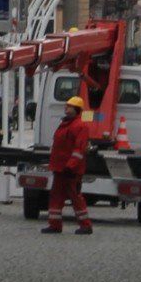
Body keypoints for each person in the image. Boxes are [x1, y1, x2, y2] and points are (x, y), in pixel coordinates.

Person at [44, 94, 94, 235]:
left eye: (69, 106)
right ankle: (54, 225)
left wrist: (70, 166)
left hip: (71, 170)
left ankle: (86, 225)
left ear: (77, 109)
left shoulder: (80, 126)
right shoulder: (66, 123)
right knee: (56, 197)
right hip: (60, 168)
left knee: (75, 197)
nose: (66, 108)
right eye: (66, 106)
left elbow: (79, 150)